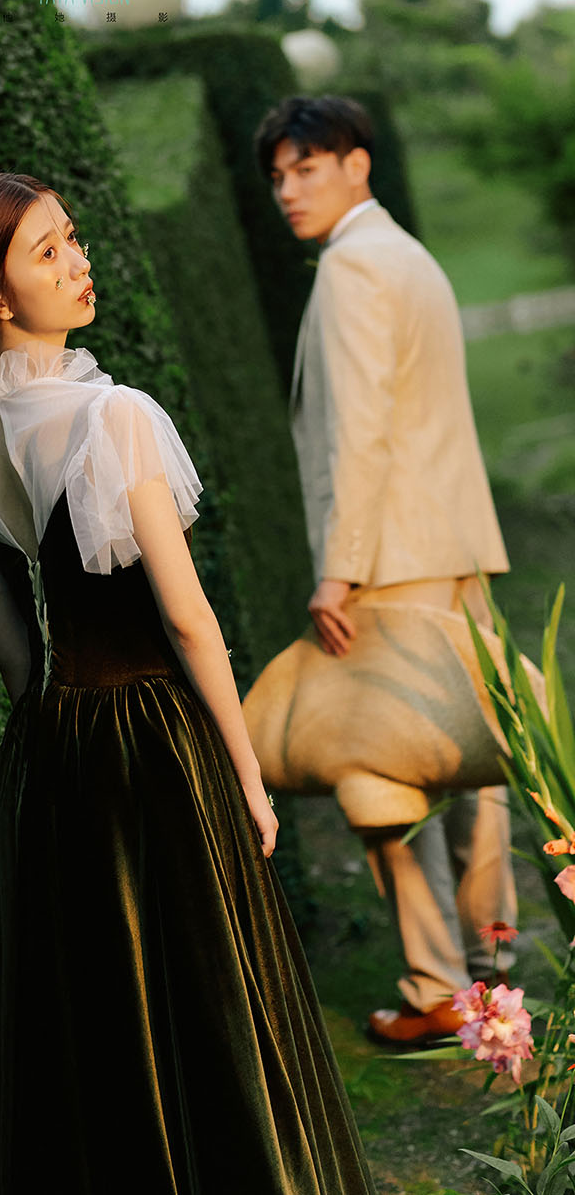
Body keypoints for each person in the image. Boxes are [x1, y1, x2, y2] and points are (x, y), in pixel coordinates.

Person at [0, 171, 375, 1195]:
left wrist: (51, 769)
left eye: (71, 239)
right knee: (209, 996)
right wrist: (246, 773)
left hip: (48, 757)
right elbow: (187, 618)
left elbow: (18, 661)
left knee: (101, 1020)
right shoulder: (113, 415)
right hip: (153, 736)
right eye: (46, 252)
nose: (77, 262)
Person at [253, 95, 517, 1046]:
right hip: (457, 550)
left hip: (391, 565)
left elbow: (360, 435)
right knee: (476, 763)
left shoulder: (352, 268)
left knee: (381, 777)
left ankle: (437, 990)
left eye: (306, 168)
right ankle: (491, 967)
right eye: (278, 177)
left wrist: (339, 571)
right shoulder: (407, 255)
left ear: (356, 163)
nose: (288, 191)